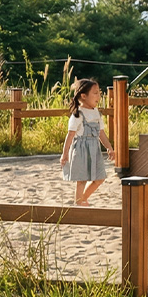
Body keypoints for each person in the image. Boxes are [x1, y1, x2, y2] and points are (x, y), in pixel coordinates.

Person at [60, 78, 113, 206]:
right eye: (95, 93)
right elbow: (70, 135)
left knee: (100, 178)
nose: (98, 96)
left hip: (94, 150)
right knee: (82, 179)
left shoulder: (97, 113)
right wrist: (65, 154)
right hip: (81, 150)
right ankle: (79, 203)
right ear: (83, 96)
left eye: (99, 93)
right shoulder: (78, 115)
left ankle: (82, 198)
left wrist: (109, 148)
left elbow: (101, 133)